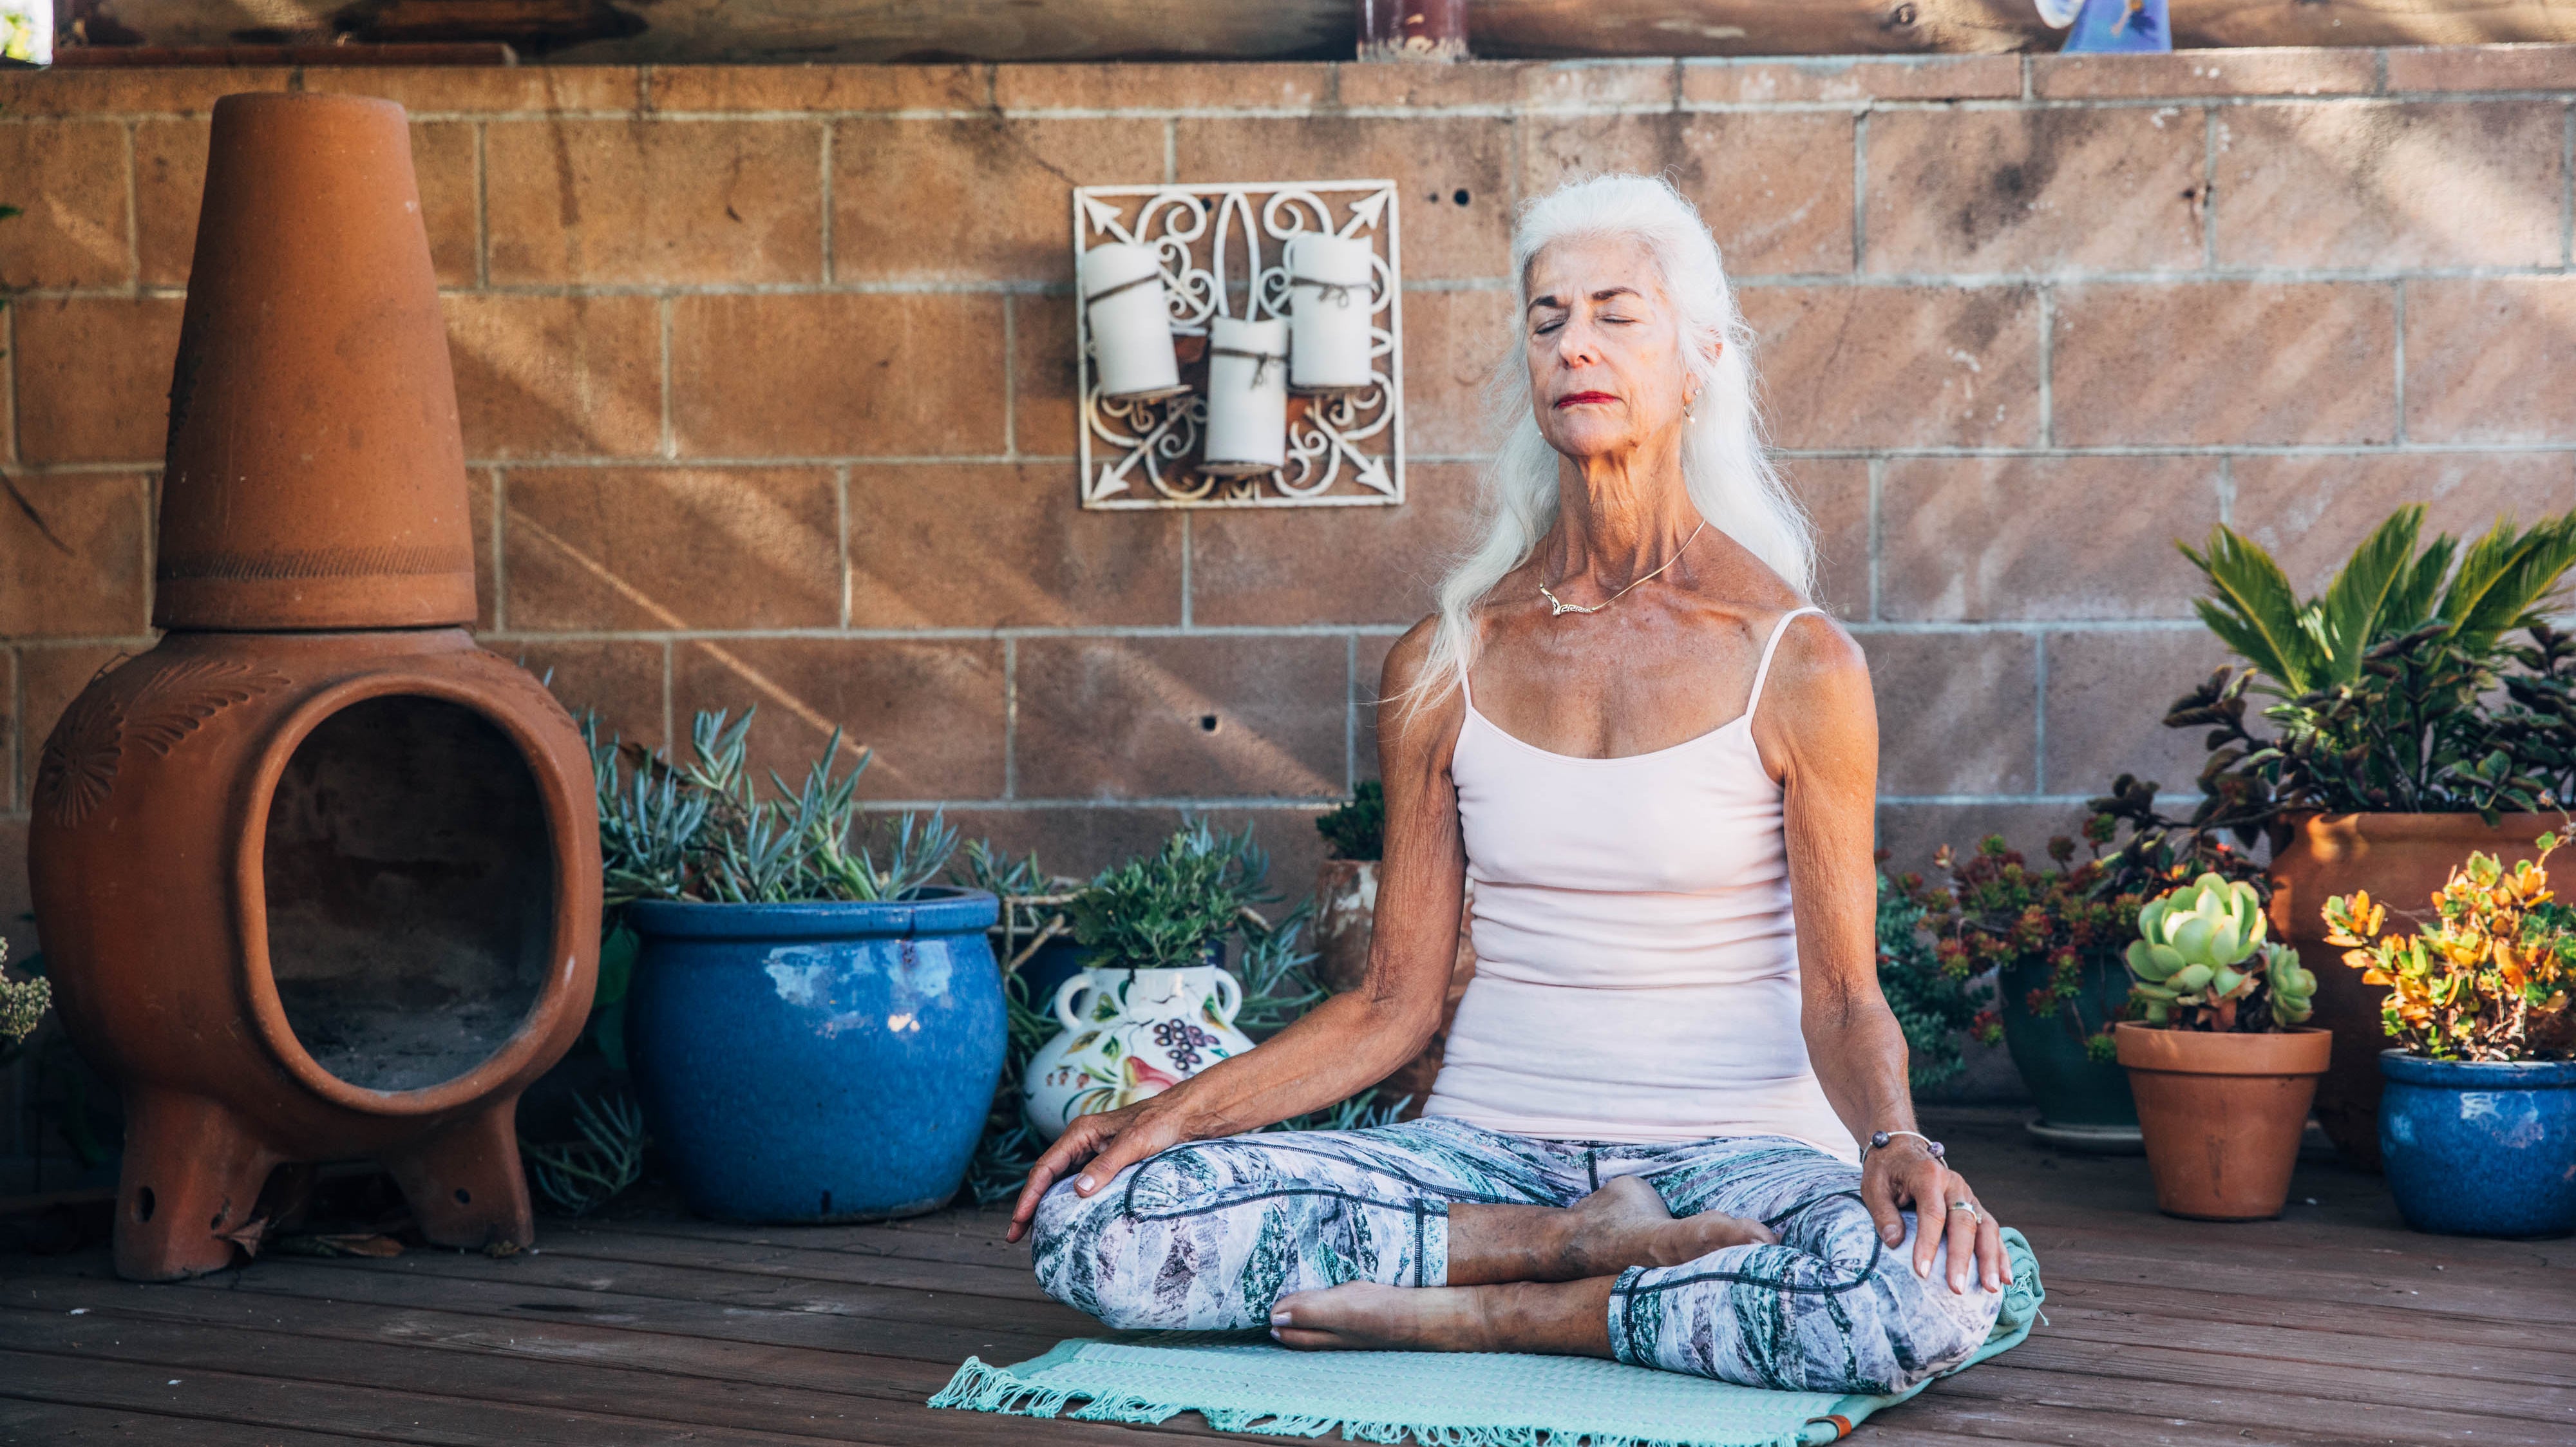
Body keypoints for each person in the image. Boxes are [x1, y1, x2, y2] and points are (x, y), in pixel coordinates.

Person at [1005, 173, 2014, 1393]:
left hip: (1737, 1155)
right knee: (1102, 1223)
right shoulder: (1446, 658)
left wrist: (1898, 1141)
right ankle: (1570, 1257)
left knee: (1924, 1291)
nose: (1574, 341)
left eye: (1614, 312)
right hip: (1487, 1161)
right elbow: (1392, 1004)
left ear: (1699, 358)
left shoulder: (1796, 661)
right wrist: (1173, 1116)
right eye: (1547, 319)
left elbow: (1845, 997)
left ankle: (1495, 1316)